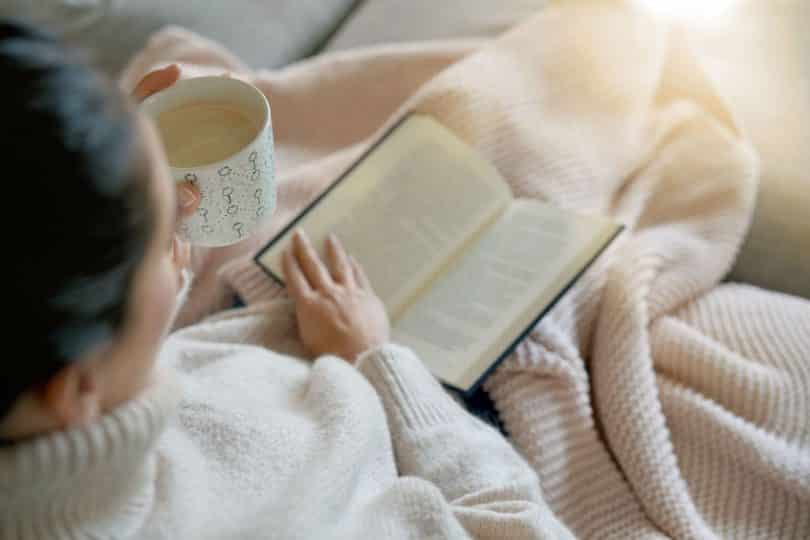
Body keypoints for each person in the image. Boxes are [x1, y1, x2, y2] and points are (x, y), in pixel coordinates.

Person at [0, 21, 573, 539]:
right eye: (166, 232)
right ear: (74, 389)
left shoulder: (44, 411)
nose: (181, 235)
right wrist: (378, 362)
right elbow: (524, 526)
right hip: (421, 417)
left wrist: (111, 170)